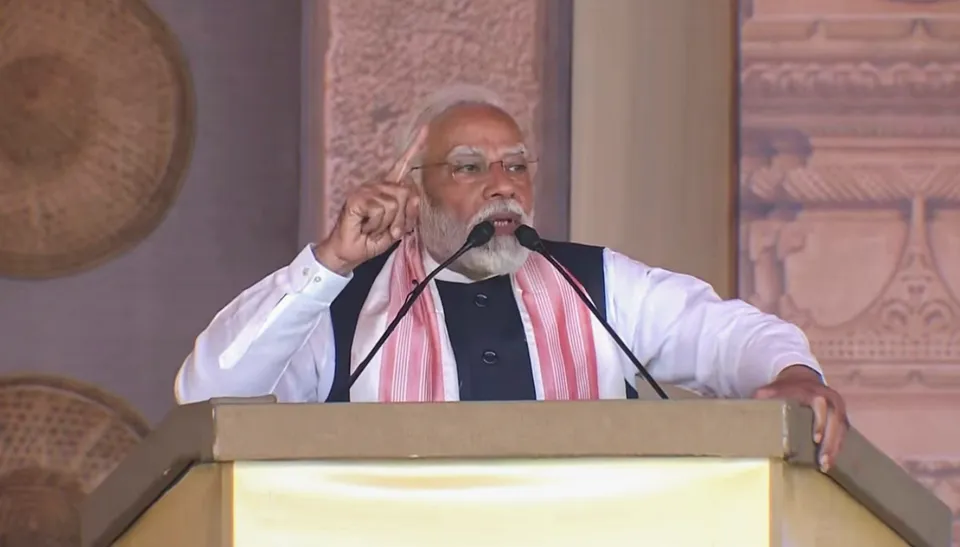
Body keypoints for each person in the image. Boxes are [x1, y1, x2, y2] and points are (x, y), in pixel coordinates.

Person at [175, 85, 849, 470]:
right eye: (469, 166)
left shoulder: (597, 285)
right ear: (416, 188)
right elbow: (208, 394)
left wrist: (795, 375)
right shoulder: (348, 304)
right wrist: (326, 266)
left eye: (516, 165)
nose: (502, 185)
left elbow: (730, 337)